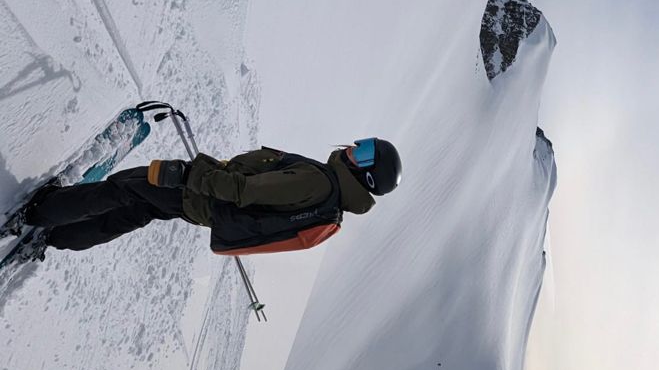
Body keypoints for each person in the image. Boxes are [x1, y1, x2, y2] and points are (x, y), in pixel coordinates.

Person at [22, 138, 402, 259]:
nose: (354, 146)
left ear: (366, 175)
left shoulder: (318, 183)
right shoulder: (327, 193)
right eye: (365, 142)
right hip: (203, 204)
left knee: (122, 189)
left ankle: (43, 210)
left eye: (365, 153)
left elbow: (245, 191)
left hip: (199, 192)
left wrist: (188, 175)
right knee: (136, 210)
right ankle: (58, 237)